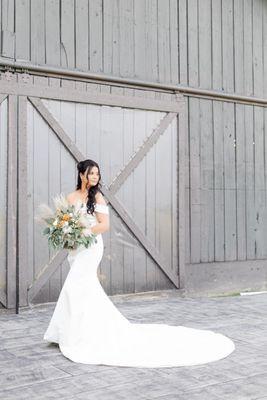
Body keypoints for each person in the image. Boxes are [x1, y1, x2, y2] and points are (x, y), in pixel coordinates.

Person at [43, 159, 235, 368]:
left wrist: (82, 231)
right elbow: (65, 221)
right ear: (81, 175)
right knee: (82, 287)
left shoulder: (97, 197)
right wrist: (67, 233)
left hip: (91, 246)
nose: (95, 177)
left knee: (76, 285)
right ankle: (75, 329)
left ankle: (73, 332)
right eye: (91, 173)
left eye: (97, 173)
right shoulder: (71, 198)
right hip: (77, 249)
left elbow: (104, 225)